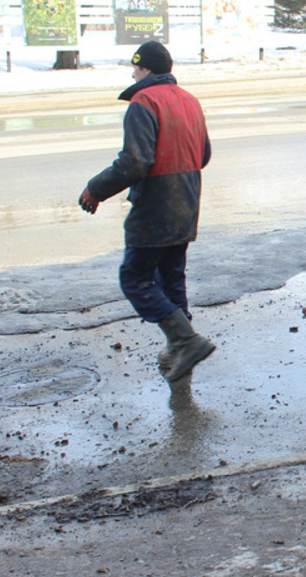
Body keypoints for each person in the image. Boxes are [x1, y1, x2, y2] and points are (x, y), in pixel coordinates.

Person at [78, 40, 216, 382]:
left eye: (136, 68)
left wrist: (95, 189)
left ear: (147, 70)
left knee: (135, 277)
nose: (133, 73)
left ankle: (185, 339)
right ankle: (178, 349)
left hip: (156, 204)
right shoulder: (189, 100)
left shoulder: (144, 102)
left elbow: (135, 162)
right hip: (187, 200)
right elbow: (204, 155)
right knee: (171, 275)